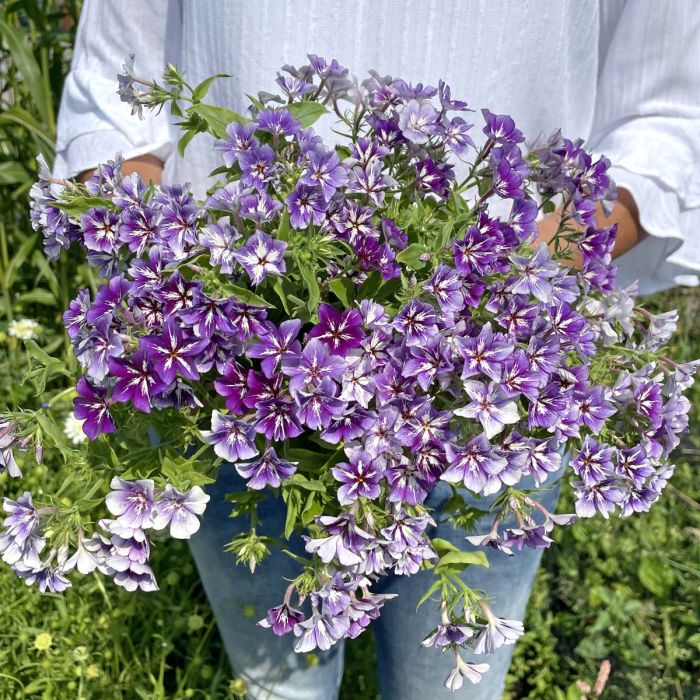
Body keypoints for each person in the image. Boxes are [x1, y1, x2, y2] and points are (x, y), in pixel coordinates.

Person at [54, 2, 700, 698]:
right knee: (279, 688)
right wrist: (184, 260)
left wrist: (515, 276)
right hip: (221, 373)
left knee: (448, 690)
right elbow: (109, 103)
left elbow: (665, 124)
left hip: (502, 391)